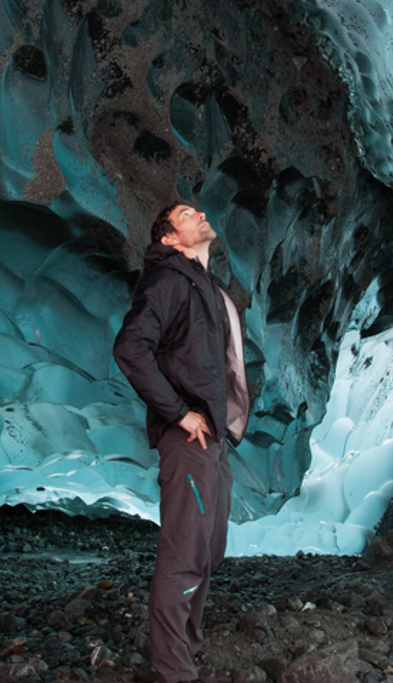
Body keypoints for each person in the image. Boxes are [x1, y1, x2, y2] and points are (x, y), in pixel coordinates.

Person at [112, 201, 251, 683]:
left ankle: (186, 650)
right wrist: (178, 412)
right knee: (185, 554)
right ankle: (175, 673)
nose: (199, 215)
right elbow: (131, 347)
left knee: (209, 549)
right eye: (186, 214)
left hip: (213, 438)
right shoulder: (168, 279)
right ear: (169, 238)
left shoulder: (206, 287)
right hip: (188, 437)